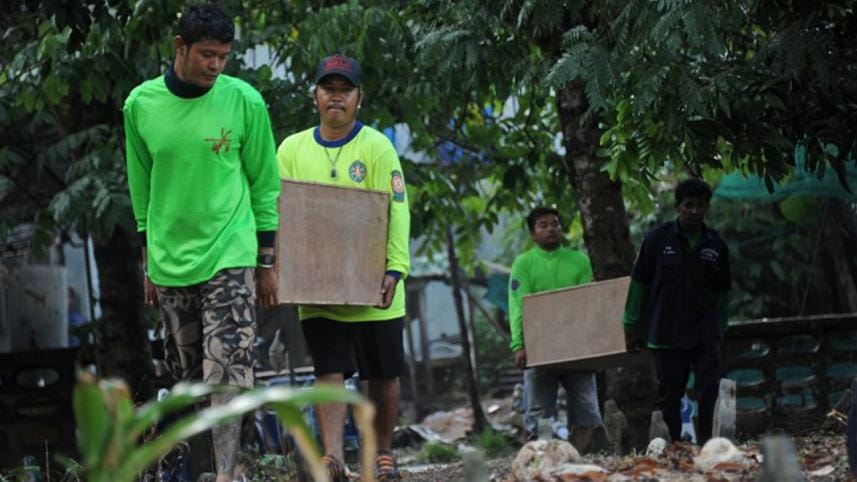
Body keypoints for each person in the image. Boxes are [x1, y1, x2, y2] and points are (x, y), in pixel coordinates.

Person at [123, 4, 281, 481]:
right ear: (180, 47)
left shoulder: (244, 101)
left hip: (230, 253)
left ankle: (227, 475)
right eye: (207, 55)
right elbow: (141, 188)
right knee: (190, 380)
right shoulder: (140, 105)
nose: (215, 66)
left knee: (226, 373)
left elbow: (265, 185)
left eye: (224, 57)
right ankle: (203, 471)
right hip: (171, 261)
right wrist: (148, 260)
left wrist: (266, 260)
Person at [276, 54, 410, 481]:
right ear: (314, 95)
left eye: (345, 89)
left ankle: (381, 453)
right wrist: (280, 266)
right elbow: (280, 209)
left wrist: (396, 267)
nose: (336, 96)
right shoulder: (291, 149)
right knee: (328, 370)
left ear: (358, 98)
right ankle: (332, 457)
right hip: (318, 285)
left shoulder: (376, 146)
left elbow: (397, 208)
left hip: (375, 282)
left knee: (382, 373)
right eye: (328, 88)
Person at [623, 178, 731, 444]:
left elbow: (723, 293)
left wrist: (719, 329)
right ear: (678, 207)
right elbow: (639, 285)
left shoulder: (716, 245)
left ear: (707, 209)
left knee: (708, 390)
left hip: (704, 331)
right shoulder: (656, 240)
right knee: (670, 395)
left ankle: (708, 444)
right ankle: (672, 447)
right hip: (665, 331)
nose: (694, 211)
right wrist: (630, 325)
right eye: (689, 205)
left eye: (700, 206)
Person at [508, 207, 603, 451]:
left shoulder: (579, 260)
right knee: (540, 418)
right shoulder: (524, 263)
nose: (551, 228)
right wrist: (519, 345)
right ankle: (545, 464)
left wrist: (598, 347)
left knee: (588, 414)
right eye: (543, 225)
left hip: (577, 349)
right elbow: (518, 306)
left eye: (555, 224)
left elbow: (589, 304)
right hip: (539, 350)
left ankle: (571, 461)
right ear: (533, 233)